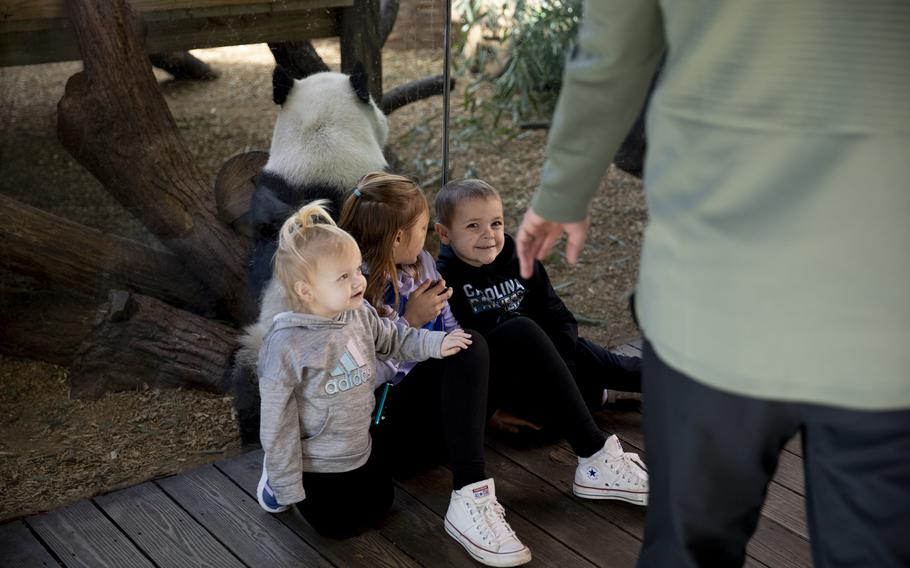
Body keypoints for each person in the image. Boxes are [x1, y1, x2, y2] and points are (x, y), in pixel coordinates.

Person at [515, 1, 910, 566]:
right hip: (886, 302)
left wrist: (563, 190)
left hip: (714, 292)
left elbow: (611, 53)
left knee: (687, 550)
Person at [340, 173, 648, 565]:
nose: (427, 238)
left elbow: (453, 328)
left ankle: (594, 458)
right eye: (422, 228)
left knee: (516, 330)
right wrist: (411, 324)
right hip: (397, 432)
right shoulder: (356, 291)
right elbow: (364, 376)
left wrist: (480, 377)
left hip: (444, 412)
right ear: (398, 237)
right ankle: (469, 498)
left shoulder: (423, 265)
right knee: (471, 348)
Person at [255, 200, 473, 540]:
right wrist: (287, 483)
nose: (359, 280)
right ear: (305, 290)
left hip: (359, 446)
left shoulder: (359, 314)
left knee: (380, 508)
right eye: (344, 276)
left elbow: (395, 338)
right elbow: (276, 423)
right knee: (339, 530)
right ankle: (273, 478)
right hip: (317, 460)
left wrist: (436, 344)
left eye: (357, 269)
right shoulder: (286, 345)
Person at [435, 178, 642, 416]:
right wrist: (490, 410)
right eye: (473, 226)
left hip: (562, 353)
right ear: (444, 233)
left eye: (496, 223)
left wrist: (564, 366)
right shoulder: (445, 282)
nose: (488, 235)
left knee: (622, 368)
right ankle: (602, 395)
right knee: (537, 423)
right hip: (513, 378)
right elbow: (462, 357)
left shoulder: (519, 258)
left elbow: (558, 314)